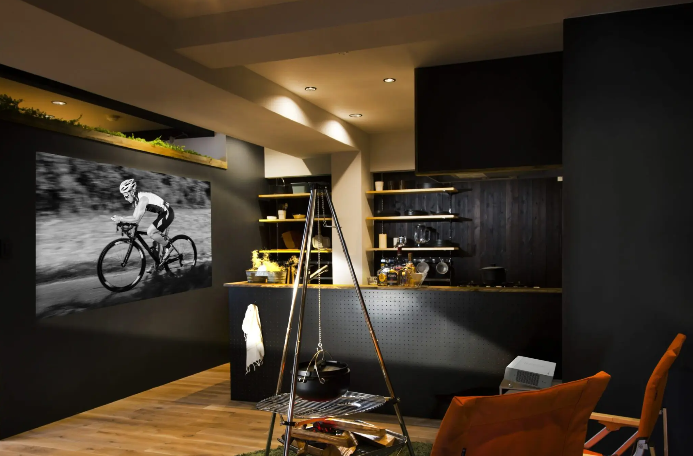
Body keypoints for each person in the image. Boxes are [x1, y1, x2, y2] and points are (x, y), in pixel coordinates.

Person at [111, 179, 175, 268]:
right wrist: (123, 224)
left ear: (132, 192)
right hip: (161, 214)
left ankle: (169, 247)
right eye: (124, 196)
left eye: (126, 195)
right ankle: (157, 265)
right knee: (155, 243)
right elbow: (134, 219)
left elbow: (136, 219)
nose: (125, 198)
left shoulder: (142, 200)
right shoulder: (136, 201)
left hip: (167, 213)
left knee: (150, 232)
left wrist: (121, 218)